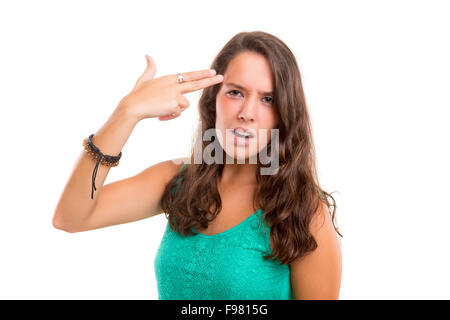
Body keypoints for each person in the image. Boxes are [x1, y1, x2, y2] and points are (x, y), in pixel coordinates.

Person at [53, 31, 342, 300]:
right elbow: (70, 217)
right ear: (213, 100)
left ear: (284, 115)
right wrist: (127, 113)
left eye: (268, 99)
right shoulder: (176, 179)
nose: (247, 113)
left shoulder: (304, 211)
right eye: (235, 92)